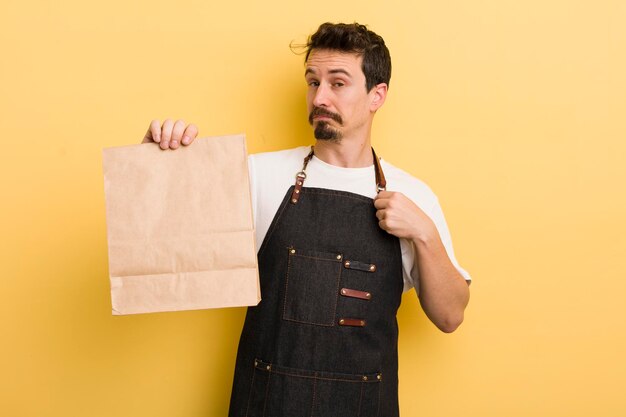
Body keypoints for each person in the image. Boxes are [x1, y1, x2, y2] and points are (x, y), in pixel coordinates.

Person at [142, 22, 470, 417]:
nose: (320, 97)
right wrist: (156, 163)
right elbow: (161, 248)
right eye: (313, 82)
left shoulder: (412, 195)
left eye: (338, 83)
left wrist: (425, 234)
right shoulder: (257, 176)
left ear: (376, 95)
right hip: (266, 403)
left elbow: (450, 316)